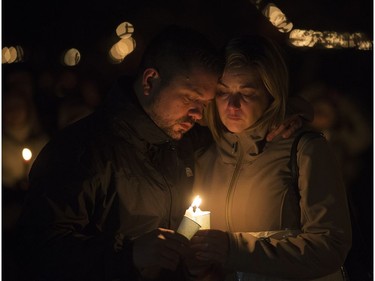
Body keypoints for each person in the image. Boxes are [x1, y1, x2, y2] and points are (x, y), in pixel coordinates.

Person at [14, 26, 303, 281]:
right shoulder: (81, 151)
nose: (199, 114)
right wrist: (129, 255)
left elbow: (247, 126)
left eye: (204, 102)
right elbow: (36, 252)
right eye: (190, 98)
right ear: (150, 81)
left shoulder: (189, 141)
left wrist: (293, 110)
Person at [189, 35, 352, 281]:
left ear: (270, 93)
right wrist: (194, 265)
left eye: (247, 92)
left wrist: (235, 249)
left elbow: (330, 247)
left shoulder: (303, 150)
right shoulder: (204, 156)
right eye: (223, 91)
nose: (232, 105)